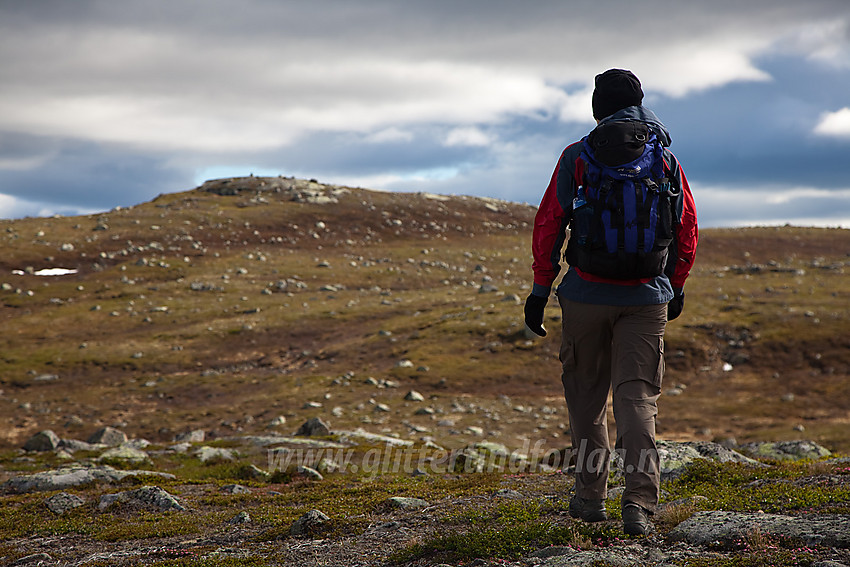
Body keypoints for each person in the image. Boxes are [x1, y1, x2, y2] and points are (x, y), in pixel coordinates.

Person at [524, 69, 698, 536]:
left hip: (584, 294)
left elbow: (549, 225)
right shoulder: (664, 158)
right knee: (637, 397)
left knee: (586, 397)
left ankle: (589, 497)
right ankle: (639, 503)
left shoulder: (577, 155)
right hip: (646, 297)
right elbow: (687, 228)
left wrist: (541, 290)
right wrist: (675, 286)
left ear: (598, 106)